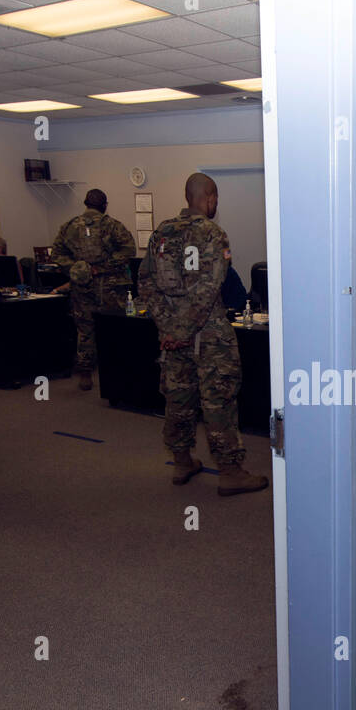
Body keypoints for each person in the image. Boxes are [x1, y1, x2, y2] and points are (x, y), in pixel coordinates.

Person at [137, 173, 268, 496]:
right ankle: (230, 472)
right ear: (211, 198)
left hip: (172, 339)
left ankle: (182, 461)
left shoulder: (160, 234)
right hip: (209, 337)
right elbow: (209, 290)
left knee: (178, 398)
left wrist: (168, 328)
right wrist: (183, 330)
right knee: (218, 401)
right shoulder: (213, 234)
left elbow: (145, 284)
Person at [51, 188, 136, 390]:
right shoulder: (112, 225)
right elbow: (129, 249)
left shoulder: (69, 226)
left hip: (82, 287)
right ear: (105, 205)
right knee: (114, 327)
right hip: (111, 286)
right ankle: (117, 371)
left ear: (85, 203)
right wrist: (102, 267)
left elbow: (56, 254)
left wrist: (76, 268)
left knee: (85, 329)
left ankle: (85, 373)